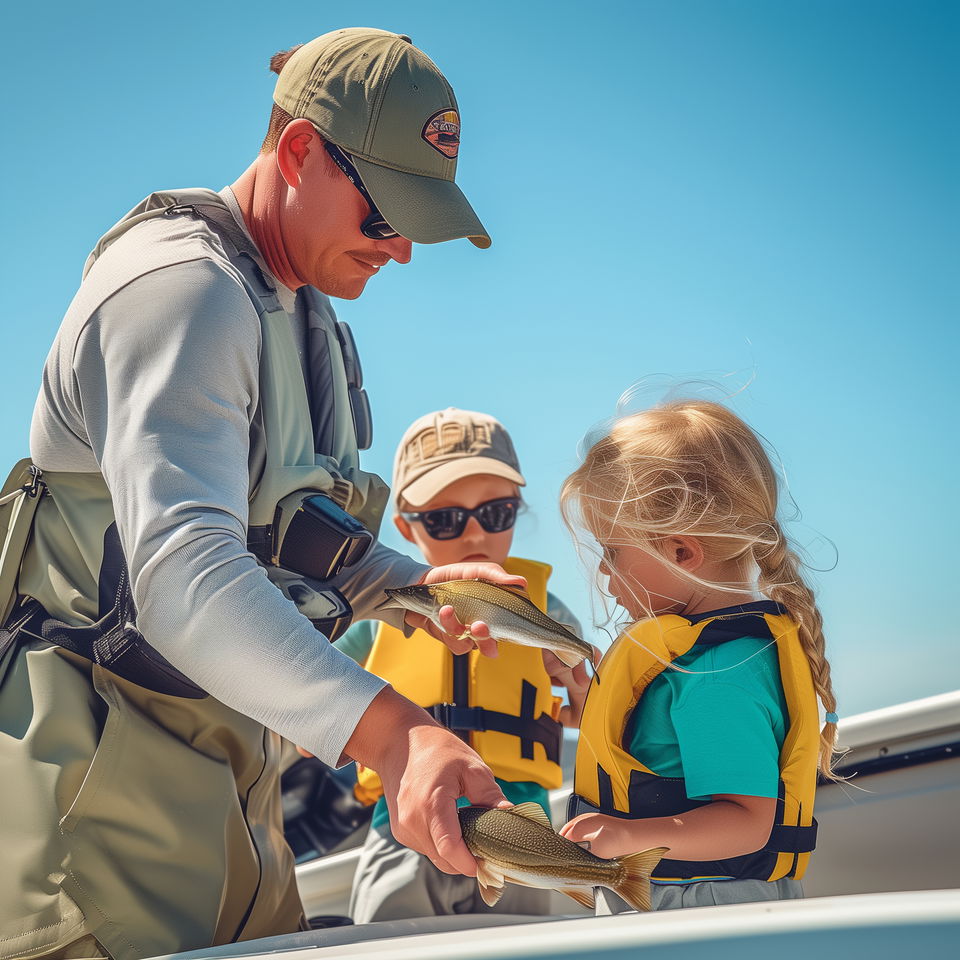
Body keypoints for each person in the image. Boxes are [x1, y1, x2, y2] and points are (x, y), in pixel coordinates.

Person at [0, 28, 523, 960]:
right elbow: (183, 573)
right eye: (385, 216)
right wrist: (398, 739)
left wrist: (417, 591)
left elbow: (288, 531)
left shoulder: (303, 304)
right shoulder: (182, 291)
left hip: (233, 810)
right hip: (100, 833)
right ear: (297, 153)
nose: (401, 250)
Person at [557, 399, 839, 910]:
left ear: (680, 551)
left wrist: (625, 837)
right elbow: (674, 758)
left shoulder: (718, 671)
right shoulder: (710, 656)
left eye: (612, 552)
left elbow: (747, 823)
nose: (604, 573)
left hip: (704, 908)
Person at [336, 408, 591, 921]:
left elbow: (587, 709)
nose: (474, 534)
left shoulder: (549, 617)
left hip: (523, 827)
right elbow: (311, 717)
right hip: (402, 826)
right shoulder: (374, 619)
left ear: (518, 509)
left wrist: (585, 702)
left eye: (495, 513)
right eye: (446, 519)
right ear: (406, 526)